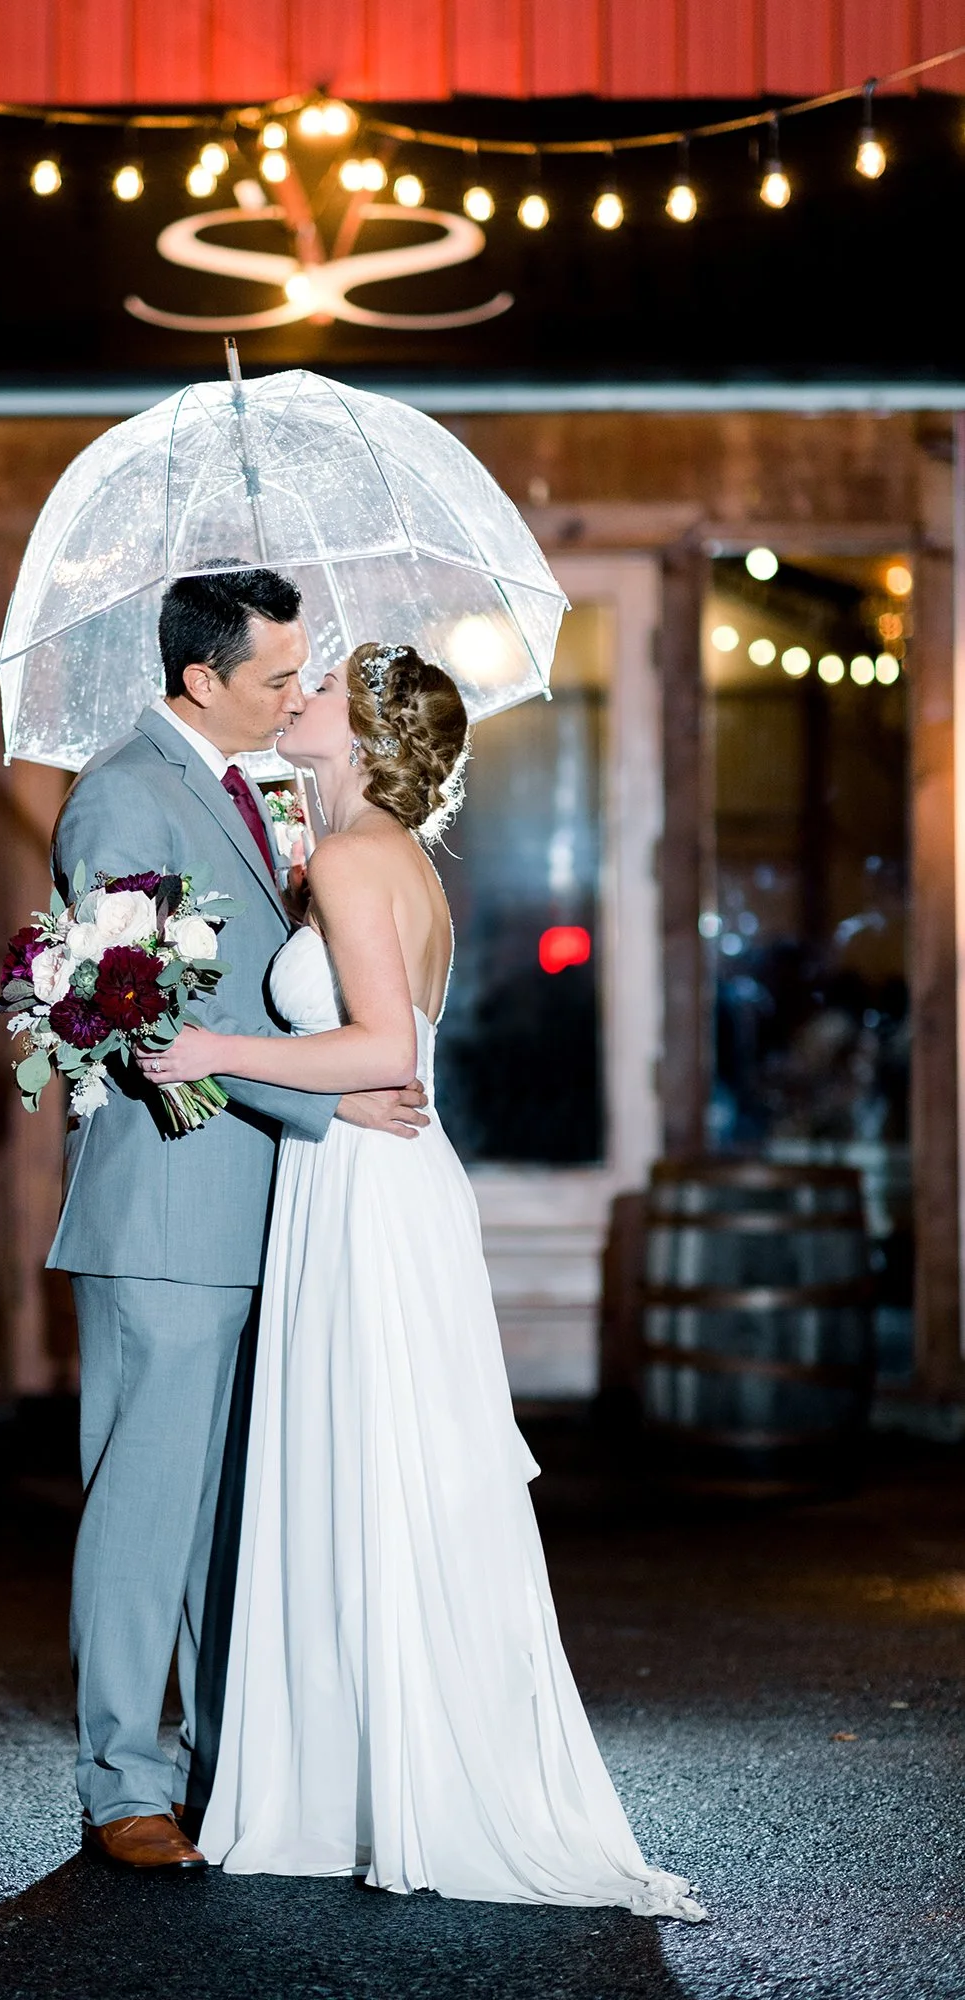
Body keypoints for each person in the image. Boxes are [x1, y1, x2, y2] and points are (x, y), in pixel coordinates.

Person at [145, 643, 708, 1919]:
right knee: (370, 1467)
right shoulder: (368, 853)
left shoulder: (353, 861)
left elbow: (385, 1045)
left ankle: (372, 1781)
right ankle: (357, 1772)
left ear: (366, 730)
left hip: (370, 1194)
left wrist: (206, 1048)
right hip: (365, 1175)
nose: (297, 696)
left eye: (323, 688)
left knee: (374, 1464)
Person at [48, 569, 428, 1874]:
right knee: (144, 1511)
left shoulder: (253, 788)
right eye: (276, 677)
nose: (293, 695)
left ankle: (226, 1773)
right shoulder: (118, 794)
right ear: (199, 678)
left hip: (265, 1219)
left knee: (229, 1520)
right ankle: (118, 1788)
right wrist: (328, 1110)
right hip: (164, 1215)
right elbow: (138, 1016)